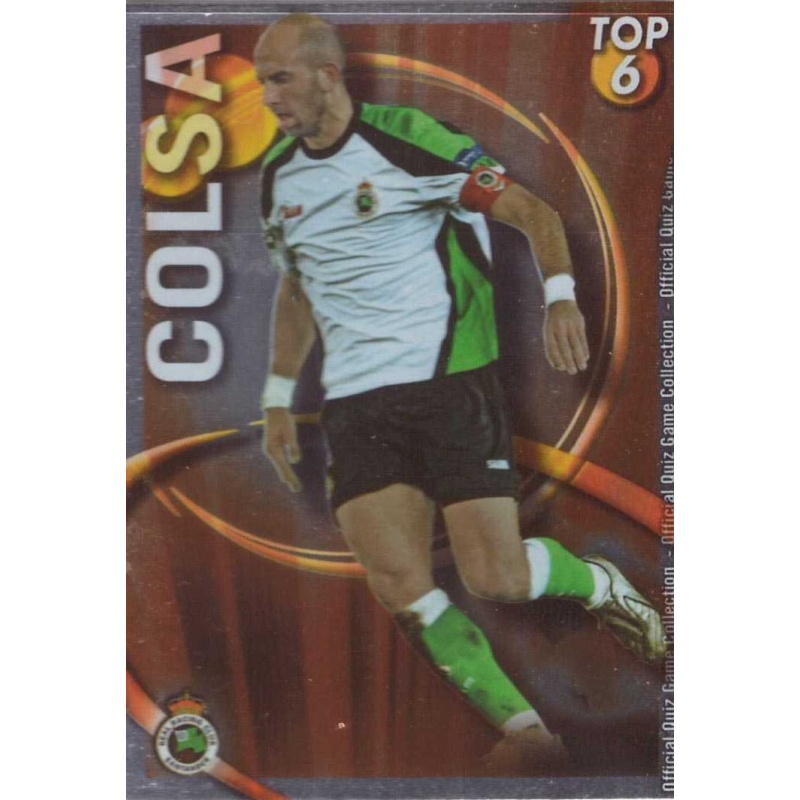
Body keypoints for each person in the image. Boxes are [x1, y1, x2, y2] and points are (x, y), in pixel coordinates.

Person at [254, 13, 666, 765]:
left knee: (498, 579)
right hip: (356, 407)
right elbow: (296, 288)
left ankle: (595, 583)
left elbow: (531, 213)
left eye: (280, 79)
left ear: (326, 75)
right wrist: (280, 394)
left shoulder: (411, 139)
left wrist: (562, 297)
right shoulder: (278, 178)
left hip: (450, 386)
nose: (268, 97)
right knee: (398, 583)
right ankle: (527, 732)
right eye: (261, 83)